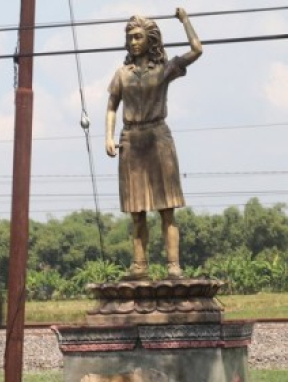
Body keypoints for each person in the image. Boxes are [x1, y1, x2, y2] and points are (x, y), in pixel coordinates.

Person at [105, 9, 203, 279]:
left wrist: (185, 21)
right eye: (130, 37)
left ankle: (173, 266)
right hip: (131, 140)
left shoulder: (163, 69)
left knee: (166, 208)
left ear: (150, 40)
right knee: (136, 211)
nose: (133, 42)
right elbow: (112, 105)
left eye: (138, 37)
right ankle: (139, 266)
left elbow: (197, 50)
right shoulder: (122, 74)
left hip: (158, 138)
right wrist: (108, 137)